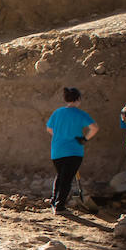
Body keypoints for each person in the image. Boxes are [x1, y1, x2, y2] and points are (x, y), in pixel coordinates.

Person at [44, 86, 97, 214]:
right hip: (74, 150)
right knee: (66, 179)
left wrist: (60, 136)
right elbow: (94, 128)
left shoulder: (57, 112)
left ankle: (54, 200)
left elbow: (49, 129)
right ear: (78, 99)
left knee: (61, 175)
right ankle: (60, 206)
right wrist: (84, 139)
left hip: (57, 150)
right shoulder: (80, 114)